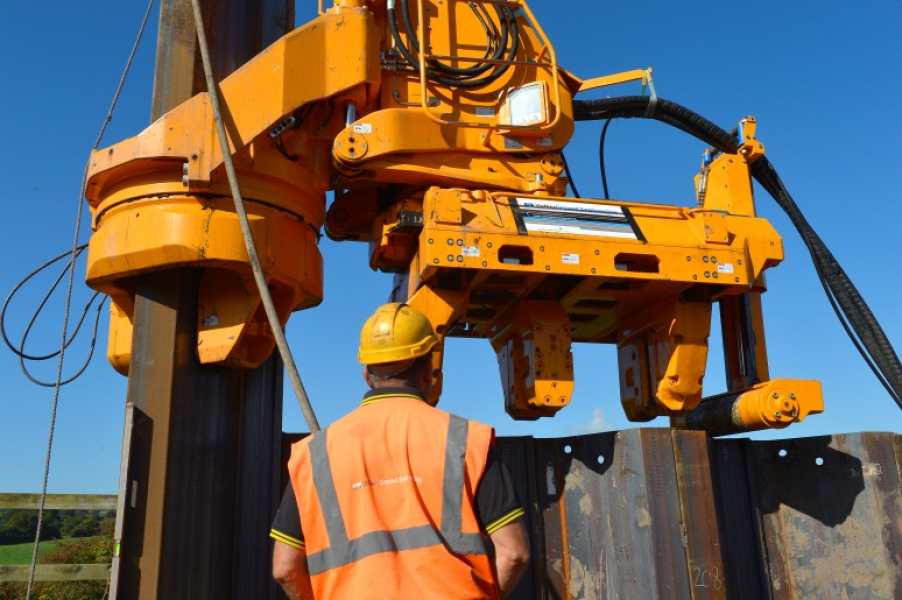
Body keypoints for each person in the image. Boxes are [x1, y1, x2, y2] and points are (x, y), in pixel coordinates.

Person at [270, 302, 530, 599]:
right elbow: (514, 553)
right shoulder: (468, 440)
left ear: (366, 374)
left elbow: (285, 567)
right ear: (427, 371)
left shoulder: (313, 455)